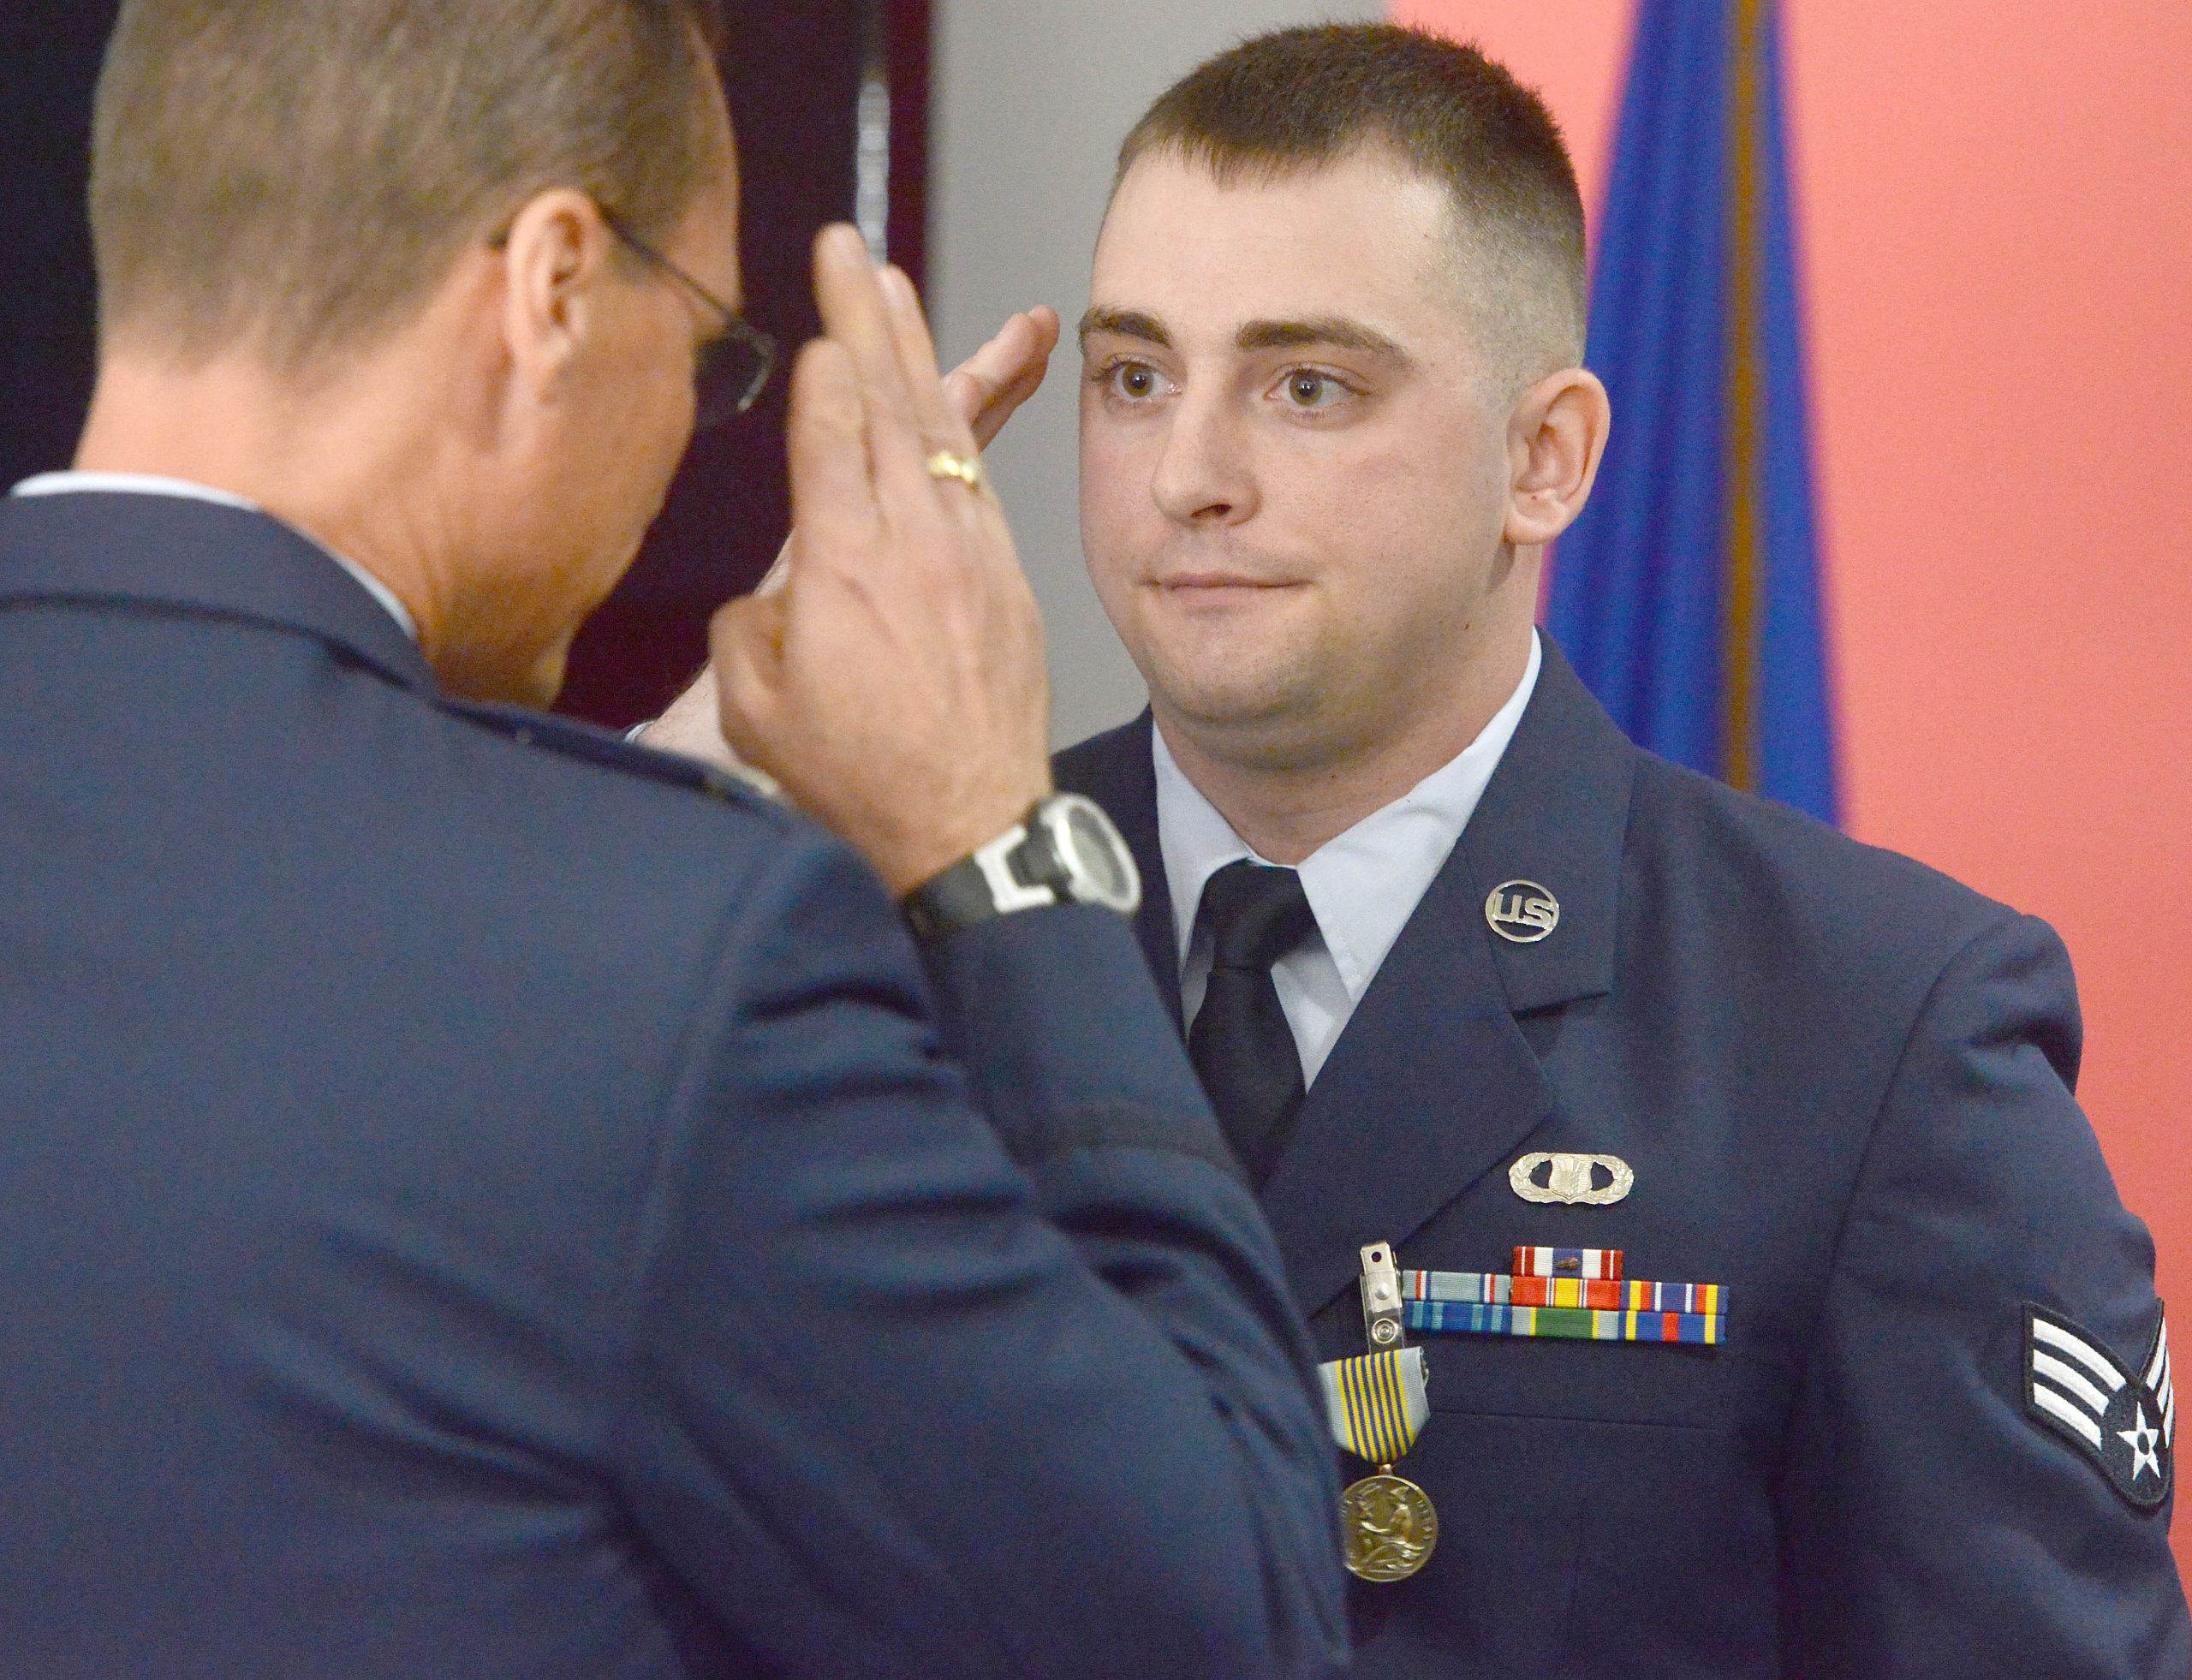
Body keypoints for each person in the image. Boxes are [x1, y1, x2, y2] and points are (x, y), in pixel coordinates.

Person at [0, 4, 1348, 1677]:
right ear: (552, 287)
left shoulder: (622, 935)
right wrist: (994, 838)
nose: (691, 426)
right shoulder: (658, 977)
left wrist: (637, 827)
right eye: (710, 348)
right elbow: (1221, 1622)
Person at [1046, 23, 2188, 1677]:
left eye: (1309, 386)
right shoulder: (889, 927)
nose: (1188, 474)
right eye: (1135, 375)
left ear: (1547, 459)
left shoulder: (1872, 1034)